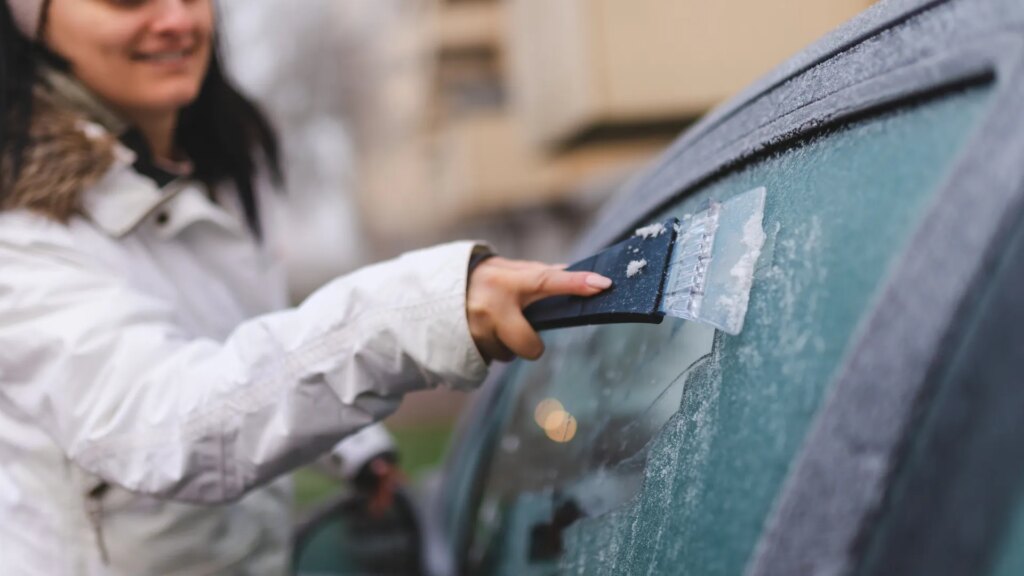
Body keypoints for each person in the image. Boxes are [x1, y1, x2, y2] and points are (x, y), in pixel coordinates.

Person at [0, 0, 613, 574]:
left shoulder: (196, 172)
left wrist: (351, 448)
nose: (176, 19)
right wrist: (411, 316)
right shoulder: (20, 233)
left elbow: (234, 337)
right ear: (30, 19)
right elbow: (164, 425)